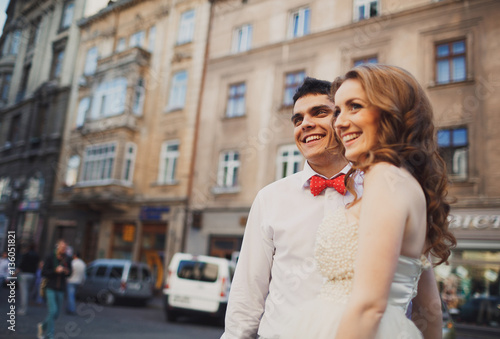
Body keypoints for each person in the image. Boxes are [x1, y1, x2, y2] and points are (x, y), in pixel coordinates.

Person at [283, 64, 456, 339]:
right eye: (338, 110)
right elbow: (431, 307)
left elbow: (368, 307)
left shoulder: (384, 178)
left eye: (355, 106)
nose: (339, 122)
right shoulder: (405, 182)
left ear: (392, 111)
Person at [221, 77, 355, 339]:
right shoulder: (269, 198)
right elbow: (248, 290)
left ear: (342, 120)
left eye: (319, 112)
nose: (305, 124)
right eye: (297, 119)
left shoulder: (378, 191)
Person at [38, 239, 72, 339]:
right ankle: (50, 335)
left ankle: (42, 326)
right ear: (58, 246)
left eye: (65, 248)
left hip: (61, 289)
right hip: (50, 287)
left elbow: (69, 273)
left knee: (56, 314)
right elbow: (43, 273)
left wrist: (66, 271)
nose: (63, 249)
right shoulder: (50, 257)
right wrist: (55, 271)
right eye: (62, 247)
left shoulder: (68, 259)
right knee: (52, 311)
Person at [17, 242, 40, 315]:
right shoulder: (36, 256)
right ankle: (24, 307)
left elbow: (21, 265)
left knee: (24, 292)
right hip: (32, 275)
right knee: (27, 291)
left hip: (24, 274)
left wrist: (15, 273)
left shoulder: (26, 255)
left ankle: (23, 309)